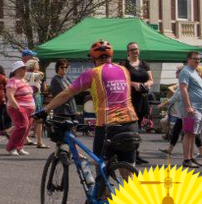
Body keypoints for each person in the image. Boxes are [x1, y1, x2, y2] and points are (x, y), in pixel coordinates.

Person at [42, 40, 139, 180]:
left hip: (108, 125)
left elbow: (66, 94)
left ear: (94, 58)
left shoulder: (92, 73)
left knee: (102, 167)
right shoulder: (124, 71)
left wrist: (45, 110)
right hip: (131, 123)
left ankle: (104, 197)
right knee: (128, 173)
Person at [121, 42, 153, 165]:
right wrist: (134, 84)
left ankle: (136, 153)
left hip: (142, 99)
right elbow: (122, 80)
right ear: (128, 51)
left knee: (137, 128)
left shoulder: (144, 64)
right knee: (129, 127)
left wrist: (147, 84)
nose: (135, 51)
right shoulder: (124, 64)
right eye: (132, 49)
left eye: (136, 49)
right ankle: (128, 154)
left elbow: (151, 80)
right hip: (130, 99)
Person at [178, 51, 202, 169]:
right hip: (191, 109)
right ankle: (186, 159)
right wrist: (188, 106)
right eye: (195, 59)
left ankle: (191, 157)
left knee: (193, 134)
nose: (197, 61)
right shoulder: (185, 71)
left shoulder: (194, 72)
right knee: (188, 133)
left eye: (199, 59)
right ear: (189, 59)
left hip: (198, 109)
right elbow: (183, 89)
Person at [5, 61, 35, 155]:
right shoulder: (13, 81)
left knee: (26, 128)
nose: (25, 70)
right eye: (23, 68)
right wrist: (18, 107)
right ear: (17, 70)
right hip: (18, 108)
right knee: (22, 126)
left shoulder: (24, 80)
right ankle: (11, 147)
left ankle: (19, 147)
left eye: (25, 68)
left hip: (28, 109)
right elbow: (10, 95)